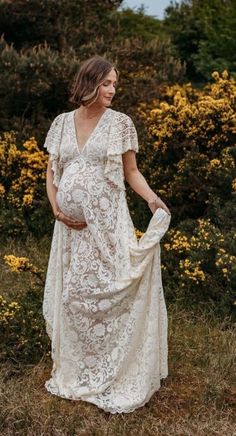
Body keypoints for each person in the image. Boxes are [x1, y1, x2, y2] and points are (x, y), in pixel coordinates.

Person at [43, 55, 171, 414]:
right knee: (73, 297)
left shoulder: (120, 125)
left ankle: (114, 370)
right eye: (108, 83)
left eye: (115, 83)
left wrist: (152, 200)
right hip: (69, 231)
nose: (114, 90)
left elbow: (132, 172)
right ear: (90, 83)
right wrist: (57, 210)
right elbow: (52, 173)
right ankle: (79, 369)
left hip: (108, 228)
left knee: (109, 293)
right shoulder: (61, 124)